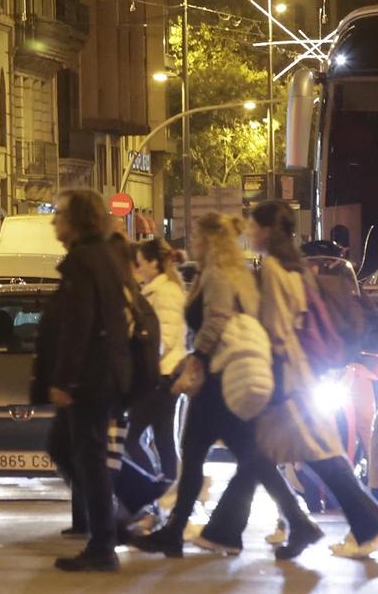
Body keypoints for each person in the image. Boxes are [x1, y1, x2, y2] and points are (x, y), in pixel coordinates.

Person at [134, 212, 318, 562]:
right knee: (237, 456)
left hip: (217, 378)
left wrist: (196, 356)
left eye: (196, 237)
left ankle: (296, 522)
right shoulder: (236, 275)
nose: (191, 243)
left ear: (209, 242)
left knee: (227, 456)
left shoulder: (216, 275)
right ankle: (176, 532)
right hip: (225, 375)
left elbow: (217, 318)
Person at [238, 200, 378, 561]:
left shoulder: (277, 269)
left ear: (266, 231)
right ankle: (300, 523)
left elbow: (279, 328)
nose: (249, 232)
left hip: (289, 376)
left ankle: (350, 524)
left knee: (306, 455)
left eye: (253, 226)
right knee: (307, 454)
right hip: (303, 373)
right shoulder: (295, 265)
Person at [33, 190, 136, 572]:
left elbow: (80, 327)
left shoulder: (83, 261)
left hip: (89, 379)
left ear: (76, 220)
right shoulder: (105, 256)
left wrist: (65, 379)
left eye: (58, 213)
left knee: (86, 457)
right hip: (104, 374)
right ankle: (116, 520)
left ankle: (105, 541)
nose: (53, 220)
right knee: (64, 446)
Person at [129, 237, 187, 515]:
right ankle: (168, 494)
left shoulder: (165, 293)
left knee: (134, 438)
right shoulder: (160, 290)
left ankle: (155, 490)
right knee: (163, 438)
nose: (138, 269)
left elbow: (164, 335)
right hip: (163, 374)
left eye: (140, 263)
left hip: (161, 375)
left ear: (153, 263)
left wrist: (145, 362)